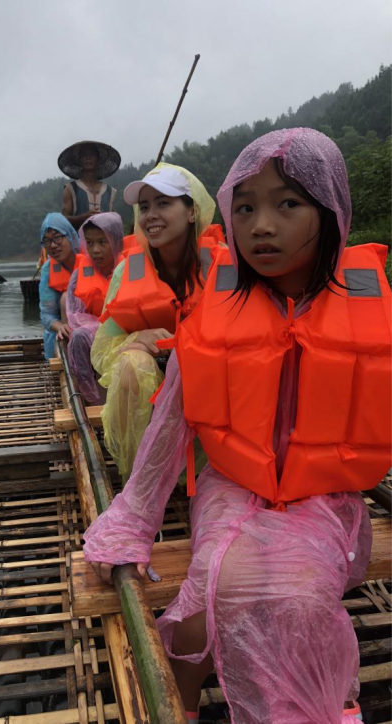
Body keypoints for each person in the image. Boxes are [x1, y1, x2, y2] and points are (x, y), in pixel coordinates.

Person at [84, 128, 392, 724]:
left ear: (331, 212)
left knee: (298, 599)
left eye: (288, 204)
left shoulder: (373, 306)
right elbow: (169, 427)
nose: (261, 226)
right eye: (245, 207)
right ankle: (182, 702)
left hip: (323, 496)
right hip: (231, 485)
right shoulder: (215, 311)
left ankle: (316, 706)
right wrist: (134, 518)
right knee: (214, 594)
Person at [90, 163, 223, 480]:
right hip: (154, 386)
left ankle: (216, 470)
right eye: (144, 207)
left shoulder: (224, 265)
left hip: (210, 383)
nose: (150, 215)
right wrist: (134, 340)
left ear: (192, 212)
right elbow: (100, 350)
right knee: (131, 365)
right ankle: (141, 479)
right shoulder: (127, 271)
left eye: (164, 203)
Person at [66, 212, 124, 404]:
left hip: (125, 333)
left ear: (116, 240)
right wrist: (100, 332)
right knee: (79, 336)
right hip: (92, 335)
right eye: (89, 243)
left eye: (102, 242)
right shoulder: (79, 274)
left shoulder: (130, 269)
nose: (95, 250)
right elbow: (75, 314)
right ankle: (92, 400)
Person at [38, 213, 84, 360]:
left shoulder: (90, 261)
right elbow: (46, 314)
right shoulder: (47, 270)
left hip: (88, 326)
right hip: (62, 333)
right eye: (47, 241)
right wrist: (60, 326)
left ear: (70, 235)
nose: (52, 245)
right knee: (65, 298)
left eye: (57, 238)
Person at [59, 141, 121, 229]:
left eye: (92, 155)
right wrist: (82, 218)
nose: (88, 158)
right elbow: (62, 219)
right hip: (78, 241)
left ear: (98, 160)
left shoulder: (110, 191)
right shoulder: (71, 189)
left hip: (105, 241)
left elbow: (116, 220)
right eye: (84, 155)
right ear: (79, 161)